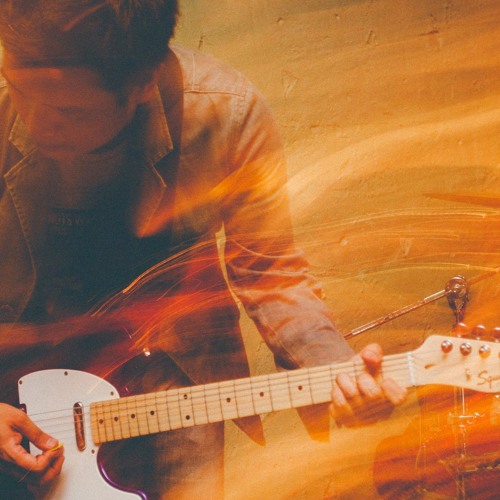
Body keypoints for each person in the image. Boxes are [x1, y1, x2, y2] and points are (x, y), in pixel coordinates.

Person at [0, 1, 407, 498]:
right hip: (14, 390)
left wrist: (336, 372)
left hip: (169, 381)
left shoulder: (227, 114)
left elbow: (269, 272)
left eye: (70, 112)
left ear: (143, 84)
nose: (37, 123)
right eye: (20, 91)